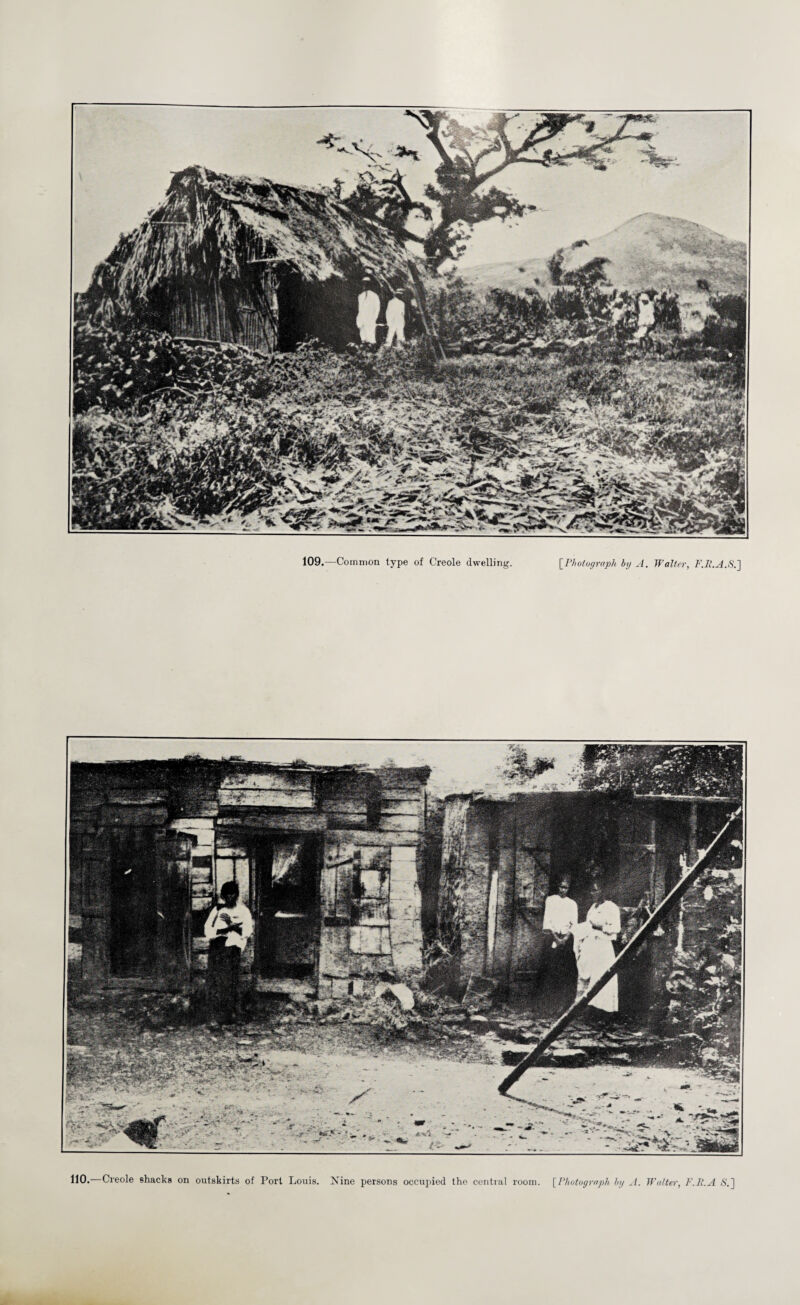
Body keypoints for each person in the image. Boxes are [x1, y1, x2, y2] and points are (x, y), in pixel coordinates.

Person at [204, 881, 253, 1026]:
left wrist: (234, 927)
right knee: (216, 981)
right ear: (223, 896)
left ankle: (231, 1014)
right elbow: (208, 930)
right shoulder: (217, 910)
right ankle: (215, 1016)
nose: (230, 898)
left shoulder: (243, 911)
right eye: (227, 895)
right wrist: (225, 929)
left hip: (233, 949)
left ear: (237, 895)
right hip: (218, 948)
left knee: (230, 981)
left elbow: (247, 931)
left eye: (233, 895)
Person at [572, 877, 621, 1019]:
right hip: (590, 946)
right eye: (591, 890)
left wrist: (599, 927)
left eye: (595, 890)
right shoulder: (592, 908)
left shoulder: (611, 907)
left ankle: (603, 1013)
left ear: (602, 891)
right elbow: (588, 925)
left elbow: (616, 928)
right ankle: (586, 1010)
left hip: (603, 947)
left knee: (601, 978)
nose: (592, 893)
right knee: (586, 976)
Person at [540, 876, 579, 1013]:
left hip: (566, 940)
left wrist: (566, 938)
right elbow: (548, 921)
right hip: (553, 938)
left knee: (565, 972)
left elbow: (574, 924)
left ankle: (563, 1005)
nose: (563, 890)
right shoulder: (551, 900)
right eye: (561, 887)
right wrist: (556, 938)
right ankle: (548, 1005)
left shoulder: (572, 904)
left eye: (566, 887)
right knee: (551, 971)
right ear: (558, 887)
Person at [356, 275, 381, 345]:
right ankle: (365, 349)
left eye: (367, 284)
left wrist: (374, 317)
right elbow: (360, 309)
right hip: (362, 318)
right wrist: (359, 318)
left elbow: (377, 308)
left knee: (371, 335)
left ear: (370, 285)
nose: (365, 285)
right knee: (363, 335)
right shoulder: (360, 296)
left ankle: (372, 350)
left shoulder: (374, 296)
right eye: (364, 284)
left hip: (371, 318)